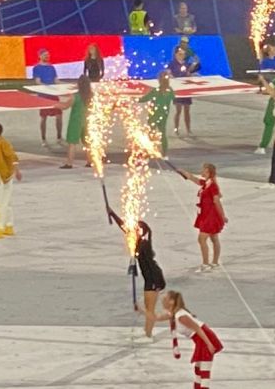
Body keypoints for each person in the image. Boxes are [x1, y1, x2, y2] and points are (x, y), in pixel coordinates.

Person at [108, 209, 165, 341]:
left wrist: (134, 257)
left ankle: (148, 335)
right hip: (151, 276)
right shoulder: (141, 241)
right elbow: (126, 229)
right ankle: (147, 331)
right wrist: (113, 214)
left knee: (149, 308)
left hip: (153, 278)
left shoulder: (143, 244)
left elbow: (132, 238)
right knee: (148, 305)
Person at [159, 290, 223, 389]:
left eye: (164, 299)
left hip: (205, 338)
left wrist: (209, 344)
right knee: (198, 370)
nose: (162, 301)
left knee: (204, 371)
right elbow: (155, 317)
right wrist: (141, 311)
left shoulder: (181, 316)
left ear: (171, 302)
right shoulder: (174, 313)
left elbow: (198, 329)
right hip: (200, 339)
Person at [179, 162, 225, 272]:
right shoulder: (207, 183)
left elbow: (217, 201)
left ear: (208, 172)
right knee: (214, 238)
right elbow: (195, 179)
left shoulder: (212, 185)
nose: (201, 171)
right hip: (205, 214)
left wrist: (222, 216)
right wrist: (184, 172)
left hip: (210, 215)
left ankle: (206, 264)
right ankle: (215, 262)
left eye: (203, 170)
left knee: (202, 239)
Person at [59, 75, 91, 169]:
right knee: (88, 143)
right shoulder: (91, 96)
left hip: (75, 122)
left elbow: (65, 106)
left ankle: (69, 163)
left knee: (72, 143)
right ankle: (90, 161)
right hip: (87, 121)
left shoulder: (75, 96)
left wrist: (55, 105)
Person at [139, 71, 175, 154]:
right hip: (164, 115)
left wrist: (134, 99)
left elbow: (144, 99)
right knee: (162, 133)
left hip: (154, 114)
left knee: (151, 132)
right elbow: (173, 98)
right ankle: (164, 152)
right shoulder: (170, 91)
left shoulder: (156, 91)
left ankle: (151, 150)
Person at [32, 49, 63, 146]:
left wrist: (66, 85)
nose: (47, 57)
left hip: (53, 94)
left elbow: (56, 80)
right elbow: (37, 81)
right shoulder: (36, 68)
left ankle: (59, 137)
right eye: (45, 55)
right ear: (40, 56)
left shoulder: (51, 67)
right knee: (43, 117)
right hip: (43, 95)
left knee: (59, 116)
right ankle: (43, 139)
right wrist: (47, 87)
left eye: (48, 55)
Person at [168, 45, 196, 136]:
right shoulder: (172, 64)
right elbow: (169, 73)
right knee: (178, 110)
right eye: (180, 54)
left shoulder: (187, 64)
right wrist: (173, 78)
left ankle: (188, 130)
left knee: (187, 110)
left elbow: (191, 73)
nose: (182, 56)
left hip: (186, 89)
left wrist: (191, 74)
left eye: (183, 54)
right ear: (176, 54)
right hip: (177, 89)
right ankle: (176, 129)